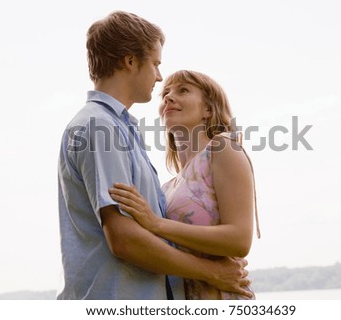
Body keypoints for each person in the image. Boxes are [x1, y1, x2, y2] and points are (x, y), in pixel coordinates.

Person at [57, 11, 252, 300]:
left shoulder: (121, 129)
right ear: (131, 61)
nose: (159, 77)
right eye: (156, 64)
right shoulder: (101, 127)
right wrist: (211, 272)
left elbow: (236, 237)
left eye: (182, 90)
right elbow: (125, 240)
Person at [110, 70, 260, 299]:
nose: (169, 97)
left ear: (208, 109)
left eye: (183, 90)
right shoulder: (167, 187)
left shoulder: (222, 150)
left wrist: (156, 224)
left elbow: (239, 240)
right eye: (165, 94)